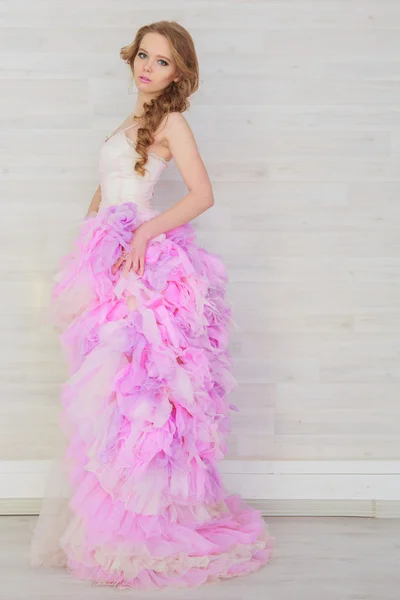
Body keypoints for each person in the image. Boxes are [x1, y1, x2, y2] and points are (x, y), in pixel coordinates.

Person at [30, 20, 273, 590]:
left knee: (145, 391)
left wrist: (142, 235)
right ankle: (109, 526)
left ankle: (150, 526)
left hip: (143, 260)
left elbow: (201, 194)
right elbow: (106, 191)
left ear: (178, 73)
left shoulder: (171, 121)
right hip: (108, 259)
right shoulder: (131, 121)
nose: (148, 67)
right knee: (109, 394)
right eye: (144, 55)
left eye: (162, 61)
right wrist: (87, 244)